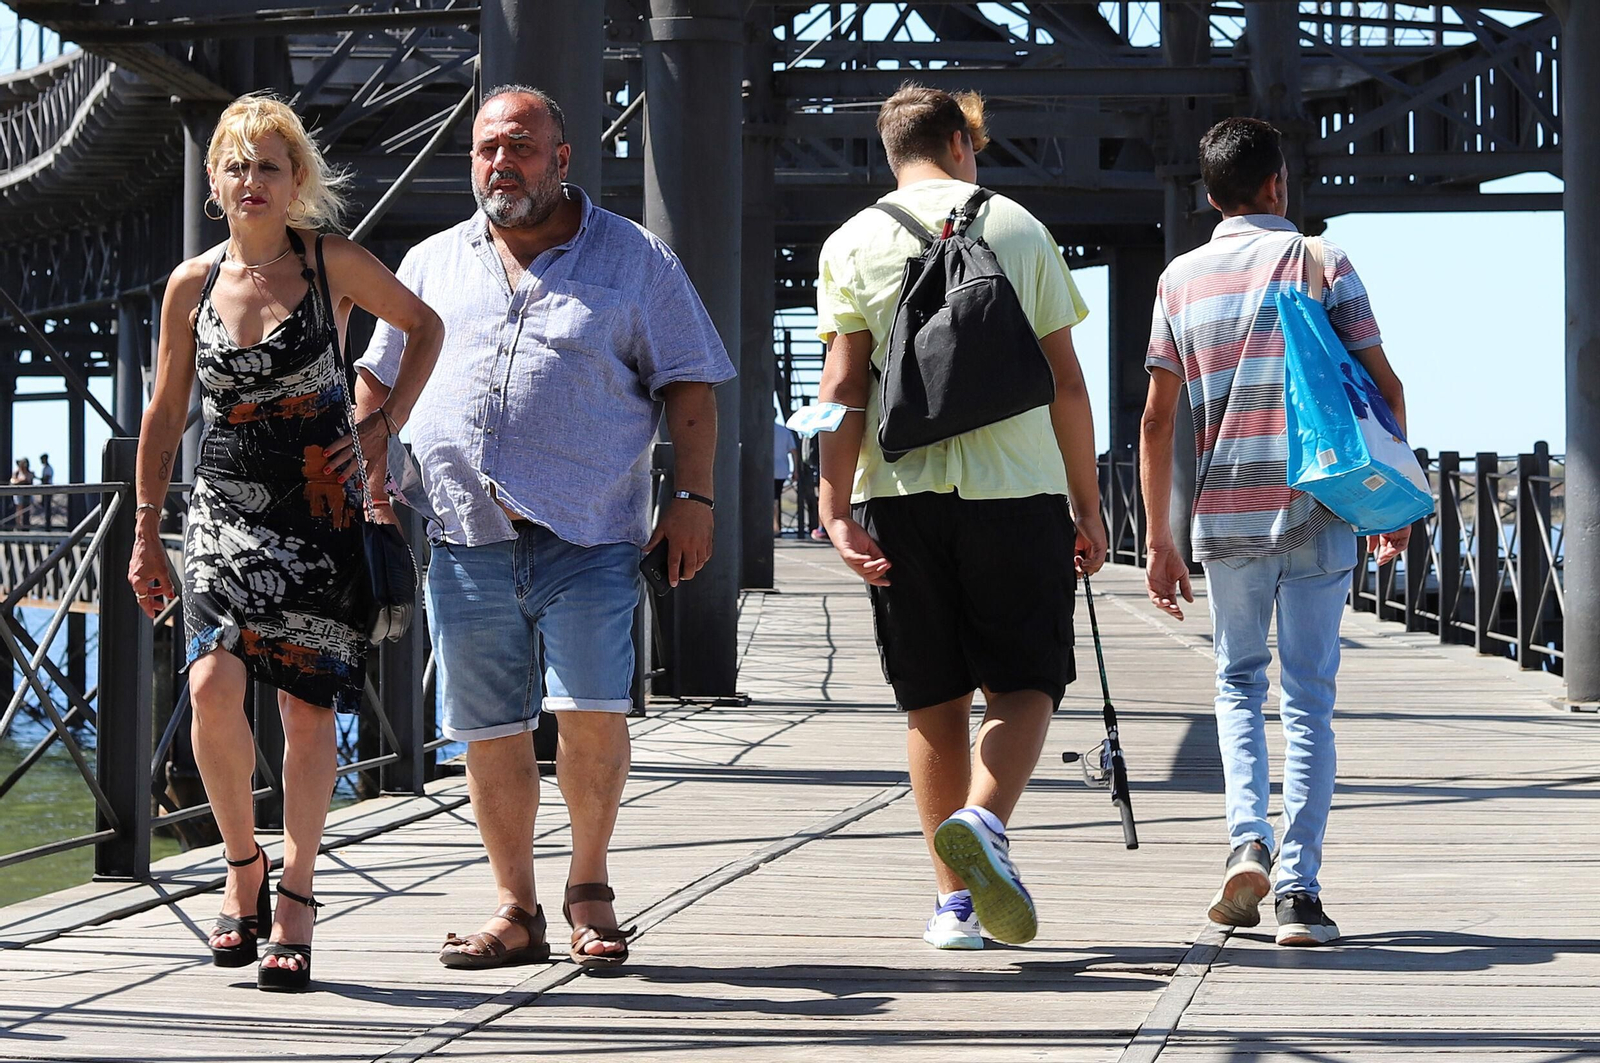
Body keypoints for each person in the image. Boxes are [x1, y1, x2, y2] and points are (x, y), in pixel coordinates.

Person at [355, 85, 733, 972]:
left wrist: (695, 498)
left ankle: (590, 888)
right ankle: (514, 906)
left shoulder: (637, 259)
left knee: (590, 713)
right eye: (487, 148)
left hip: (591, 532)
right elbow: (376, 377)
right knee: (486, 729)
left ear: (562, 158)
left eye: (520, 146)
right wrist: (371, 486)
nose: (501, 162)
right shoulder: (432, 261)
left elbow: (689, 386)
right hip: (462, 533)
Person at [128, 93, 443, 990]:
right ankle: (242, 865)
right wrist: (149, 531)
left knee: (307, 711)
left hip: (322, 512)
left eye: (270, 165)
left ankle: (297, 892)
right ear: (215, 182)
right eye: (236, 165)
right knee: (209, 687)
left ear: (295, 179)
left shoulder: (330, 262)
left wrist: (381, 429)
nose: (251, 180)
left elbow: (425, 327)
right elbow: (163, 414)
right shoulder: (191, 285)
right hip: (222, 513)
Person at [814, 83, 1107, 951]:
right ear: (958, 140)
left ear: (892, 150)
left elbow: (841, 389)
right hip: (1016, 493)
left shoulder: (853, 240)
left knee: (930, 699)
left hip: (900, 500)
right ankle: (985, 819)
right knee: (1025, 681)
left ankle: (954, 909)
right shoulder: (1016, 227)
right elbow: (1067, 381)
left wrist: (834, 505)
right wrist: (1085, 502)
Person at [1140, 117, 1408, 947]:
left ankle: (1244, 840)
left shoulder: (1178, 279)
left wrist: (1159, 538)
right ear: (1277, 185)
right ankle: (1298, 890)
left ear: (1212, 194)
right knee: (1310, 700)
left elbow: (1157, 421)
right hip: (1319, 505)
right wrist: (1390, 508)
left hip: (1223, 512)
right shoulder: (1322, 261)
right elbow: (1382, 383)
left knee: (1236, 685)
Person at [774, 419, 799, 535]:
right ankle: (776, 526)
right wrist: (795, 469)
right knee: (776, 498)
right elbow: (794, 451)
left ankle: (775, 526)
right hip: (781, 469)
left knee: (773, 500)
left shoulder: (761, 430)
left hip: (767, 467)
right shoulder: (784, 431)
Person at [9, 458, 34, 528]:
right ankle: (18, 525)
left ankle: (26, 525)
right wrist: (20, 481)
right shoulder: (17, 472)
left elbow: (28, 479)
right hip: (19, 494)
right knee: (19, 509)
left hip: (27, 494)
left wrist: (21, 480)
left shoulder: (30, 473)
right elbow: (13, 481)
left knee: (27, 510)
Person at [37, 453, 53, 526]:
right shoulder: (44, 468)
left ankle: (48, 524)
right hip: (44, 489)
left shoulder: (49, 468)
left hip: (48, 489)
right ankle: (46, 523)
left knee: (47, 506)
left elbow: (46, 479)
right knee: (45, 505)